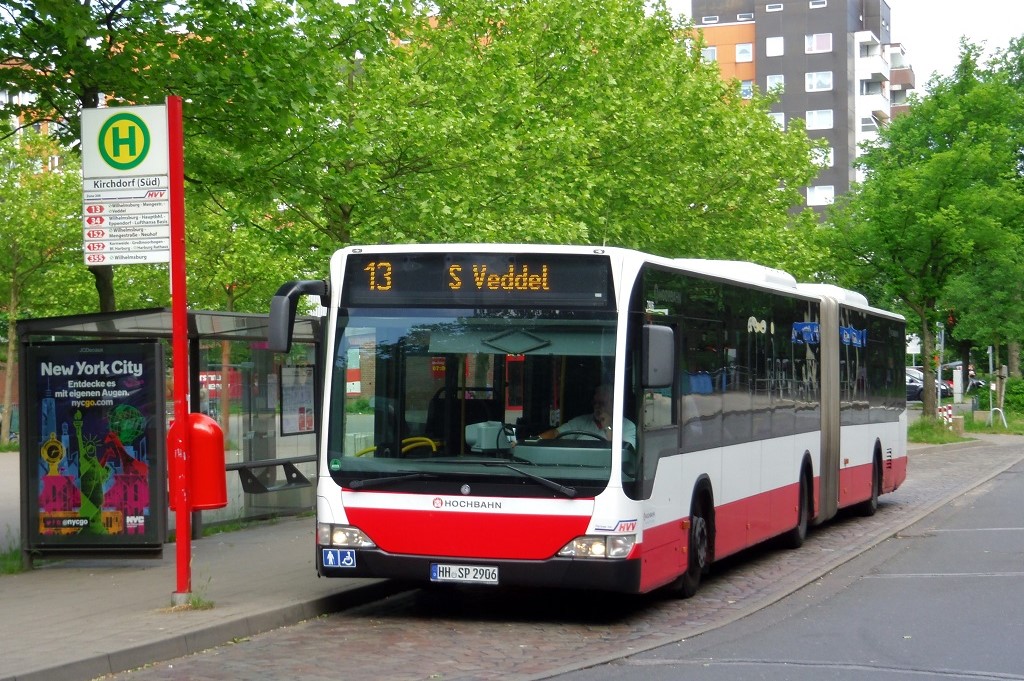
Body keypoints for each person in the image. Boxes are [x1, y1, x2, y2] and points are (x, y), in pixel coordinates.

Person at [539, 384, 636, 447]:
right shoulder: (581, 421)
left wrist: (607, 427)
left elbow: (623, 454)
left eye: (601, 403)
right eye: (595, 403)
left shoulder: (628, 427)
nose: (597, 407)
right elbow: (556, 433)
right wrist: (536, 441)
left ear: (613, 404)